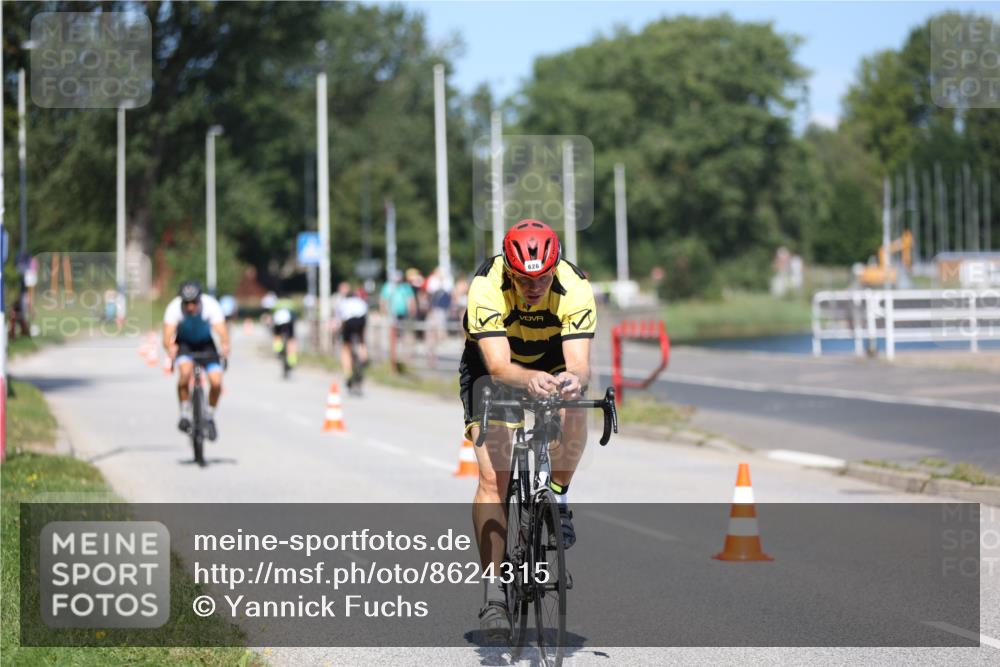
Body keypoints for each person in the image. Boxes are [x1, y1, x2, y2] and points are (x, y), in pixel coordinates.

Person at [460, 220, 596, 638]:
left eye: (542, 278)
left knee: (576, 403)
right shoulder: (486, 285)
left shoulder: (575, 286)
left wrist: (572, 380)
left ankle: (557, 497)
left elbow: (579, 364)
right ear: (509, 270)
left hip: (552, 355)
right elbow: (500, 366)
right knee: (492, 477)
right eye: (523, 279)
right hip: (493, 367)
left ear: (556, 266)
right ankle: (494, 593)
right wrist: (528, 380)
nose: (534, 286)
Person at [163, 280, 230, 441]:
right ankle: (185, 412)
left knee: (216, 382)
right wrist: (170, 348)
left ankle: (209, 416)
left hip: (206, 344)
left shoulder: (211, 305)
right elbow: (167, 336)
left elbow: (222, 331)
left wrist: (225, 345)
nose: (190, 307)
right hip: (184, 343)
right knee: (185, 373)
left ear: (200, 299)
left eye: (194, 302)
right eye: (186, 303)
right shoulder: (173, 308)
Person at [333, 281, 369, 393]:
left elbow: (340, 320)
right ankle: (363, 360)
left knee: (346, 347)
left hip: (348, 321)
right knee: (362, 342)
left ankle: (348, 373)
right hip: (361, 321)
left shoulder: (343, 302)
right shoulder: (360, 301)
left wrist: (339, 332)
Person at [270, 295, 298, 369]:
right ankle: (292, 360)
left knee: (276, 335)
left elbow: (272, 314)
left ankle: (278, 350)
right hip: (290, 321)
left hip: (278, 321)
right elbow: (295, 315)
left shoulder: (277, 303)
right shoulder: (291, 303)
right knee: (291, 340)